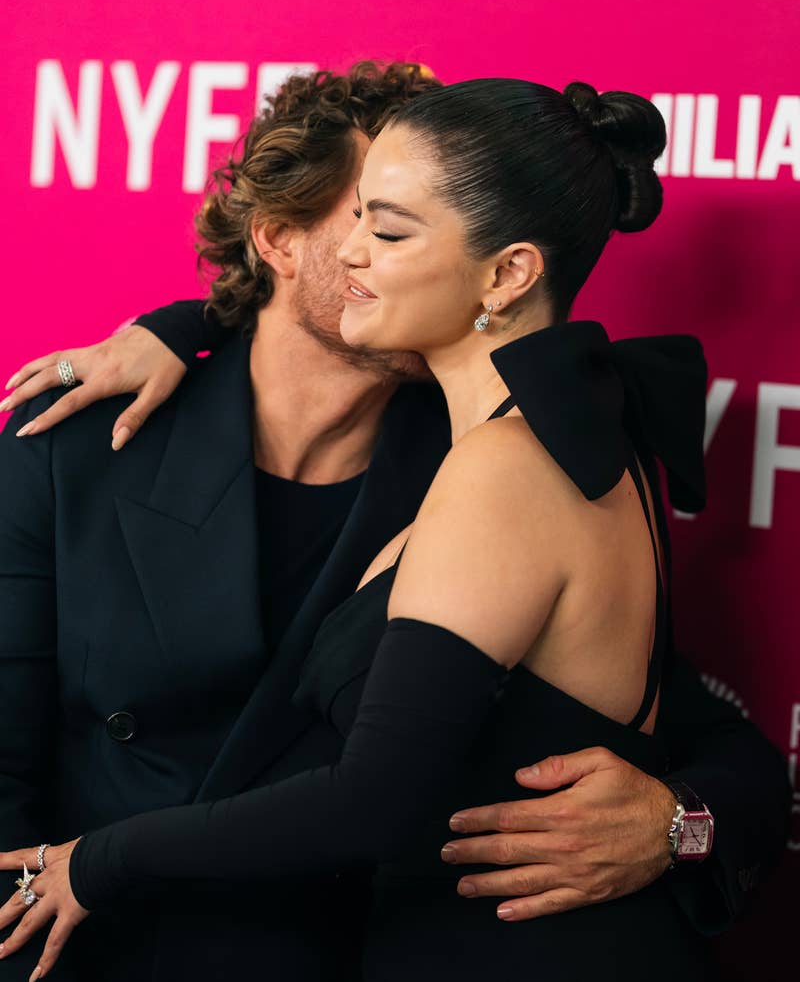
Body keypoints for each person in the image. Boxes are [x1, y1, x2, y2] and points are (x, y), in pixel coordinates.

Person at [0, 66, 789, 981]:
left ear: (498, 265)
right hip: (108, 952)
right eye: (364, 215)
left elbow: (688, 734)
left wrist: (678, 823)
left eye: (398, 222)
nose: (373, 249)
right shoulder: (79, 446)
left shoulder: (491, 455)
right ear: (279, 240)